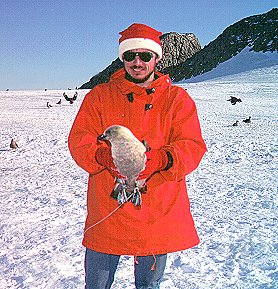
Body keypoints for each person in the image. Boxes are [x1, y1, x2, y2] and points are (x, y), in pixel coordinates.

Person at [68, 23, 207, 289]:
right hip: (108, 208)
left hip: (156, 209)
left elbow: (191, 145)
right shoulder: (99, 97)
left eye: (145, 55)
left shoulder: (177, 100)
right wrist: (102, 157)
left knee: (148, 286)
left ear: (157, 57)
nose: (138, 62)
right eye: (130, 55)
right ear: (123, 59)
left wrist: (162, 160)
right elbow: (80, 139)